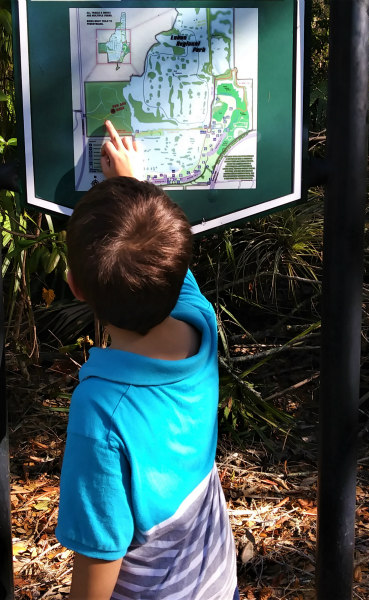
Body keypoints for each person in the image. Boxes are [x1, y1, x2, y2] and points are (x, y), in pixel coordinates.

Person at [56, 120, 238, 599]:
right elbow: (161, 265)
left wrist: (122, 189)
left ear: (75, 287)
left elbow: (99, 563)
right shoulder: (200, 325)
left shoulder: (101, 411)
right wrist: (130, 186)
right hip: (216, 583)